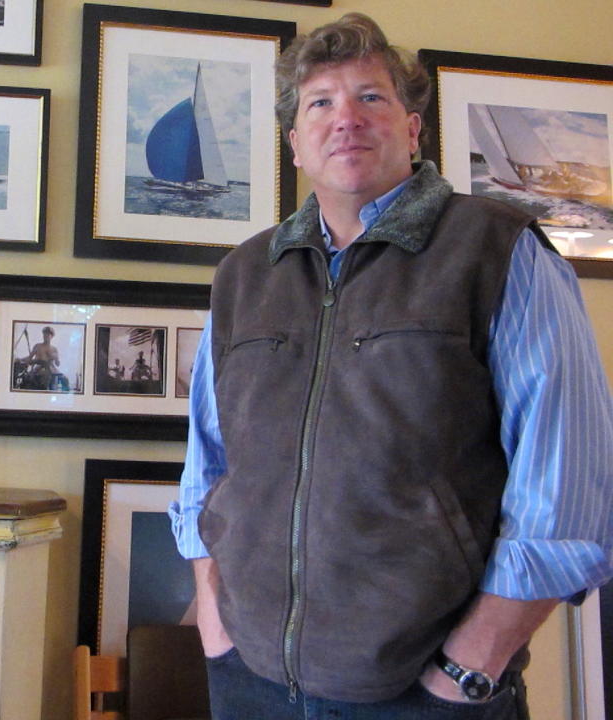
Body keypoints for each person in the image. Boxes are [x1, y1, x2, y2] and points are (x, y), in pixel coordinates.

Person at [168, 13, 613, 720]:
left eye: (370, 97)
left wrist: (469, 668)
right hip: (250, 683)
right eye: (320, 102)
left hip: (423, 695)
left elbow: (567, 493)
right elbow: (208, 466)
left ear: (412, 129)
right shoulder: (243, 276)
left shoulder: (498, 251)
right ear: (294, 146)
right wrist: (217, 627)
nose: (345, 117)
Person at [21, 325, 60, 389]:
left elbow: (57, 364)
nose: (45, 336)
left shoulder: (54, 349)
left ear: (52, 336)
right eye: (44, 334)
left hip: (50, 371)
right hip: (37, 370)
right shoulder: (37, 346)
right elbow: (29, 358)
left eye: (48, 335)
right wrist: (20, 359)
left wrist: (56, 359)